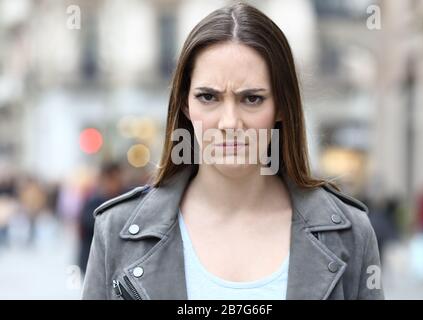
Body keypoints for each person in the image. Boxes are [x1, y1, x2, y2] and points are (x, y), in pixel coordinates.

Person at [82, 2, 383, 300]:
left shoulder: (350, 234)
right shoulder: (117, 231)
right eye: (208, 97)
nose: (229, 123)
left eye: (251, 98)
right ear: (185, 104)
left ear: (280, 105)